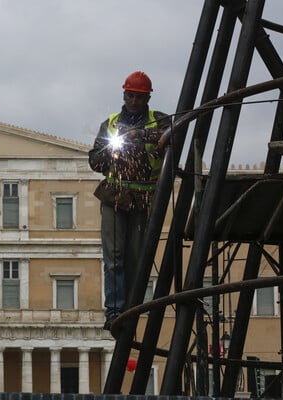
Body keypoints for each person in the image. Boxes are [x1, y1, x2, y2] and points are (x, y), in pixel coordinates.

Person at [88, 71, 170, 334]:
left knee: (136, 257)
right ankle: (114, 312)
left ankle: (133, 308)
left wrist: (142, 138)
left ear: (147, 97)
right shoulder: (110, 124)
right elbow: (95, 161)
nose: (133, 101)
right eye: (129, 95)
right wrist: (111, 153)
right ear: (124, 95)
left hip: (144, 198)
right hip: (115, 196)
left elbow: (172, 140)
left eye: (139, 96)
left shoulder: (159, 121)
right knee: (114, 258)